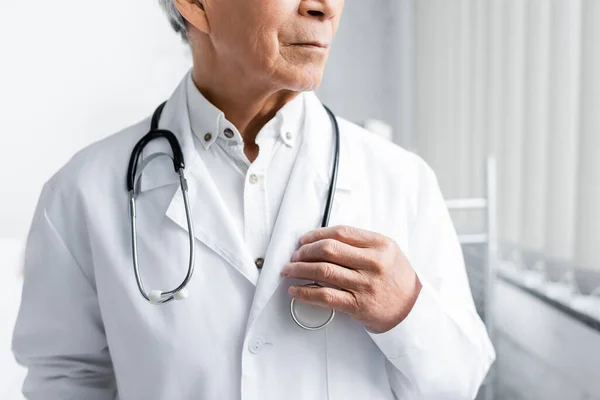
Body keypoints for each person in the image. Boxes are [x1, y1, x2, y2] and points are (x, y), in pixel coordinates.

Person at [12, 0, 495, 399]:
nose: (324, 7)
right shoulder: (82, 195)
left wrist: (405, 312)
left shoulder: (401, 181)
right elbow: (64, 381)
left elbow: (461, 381)